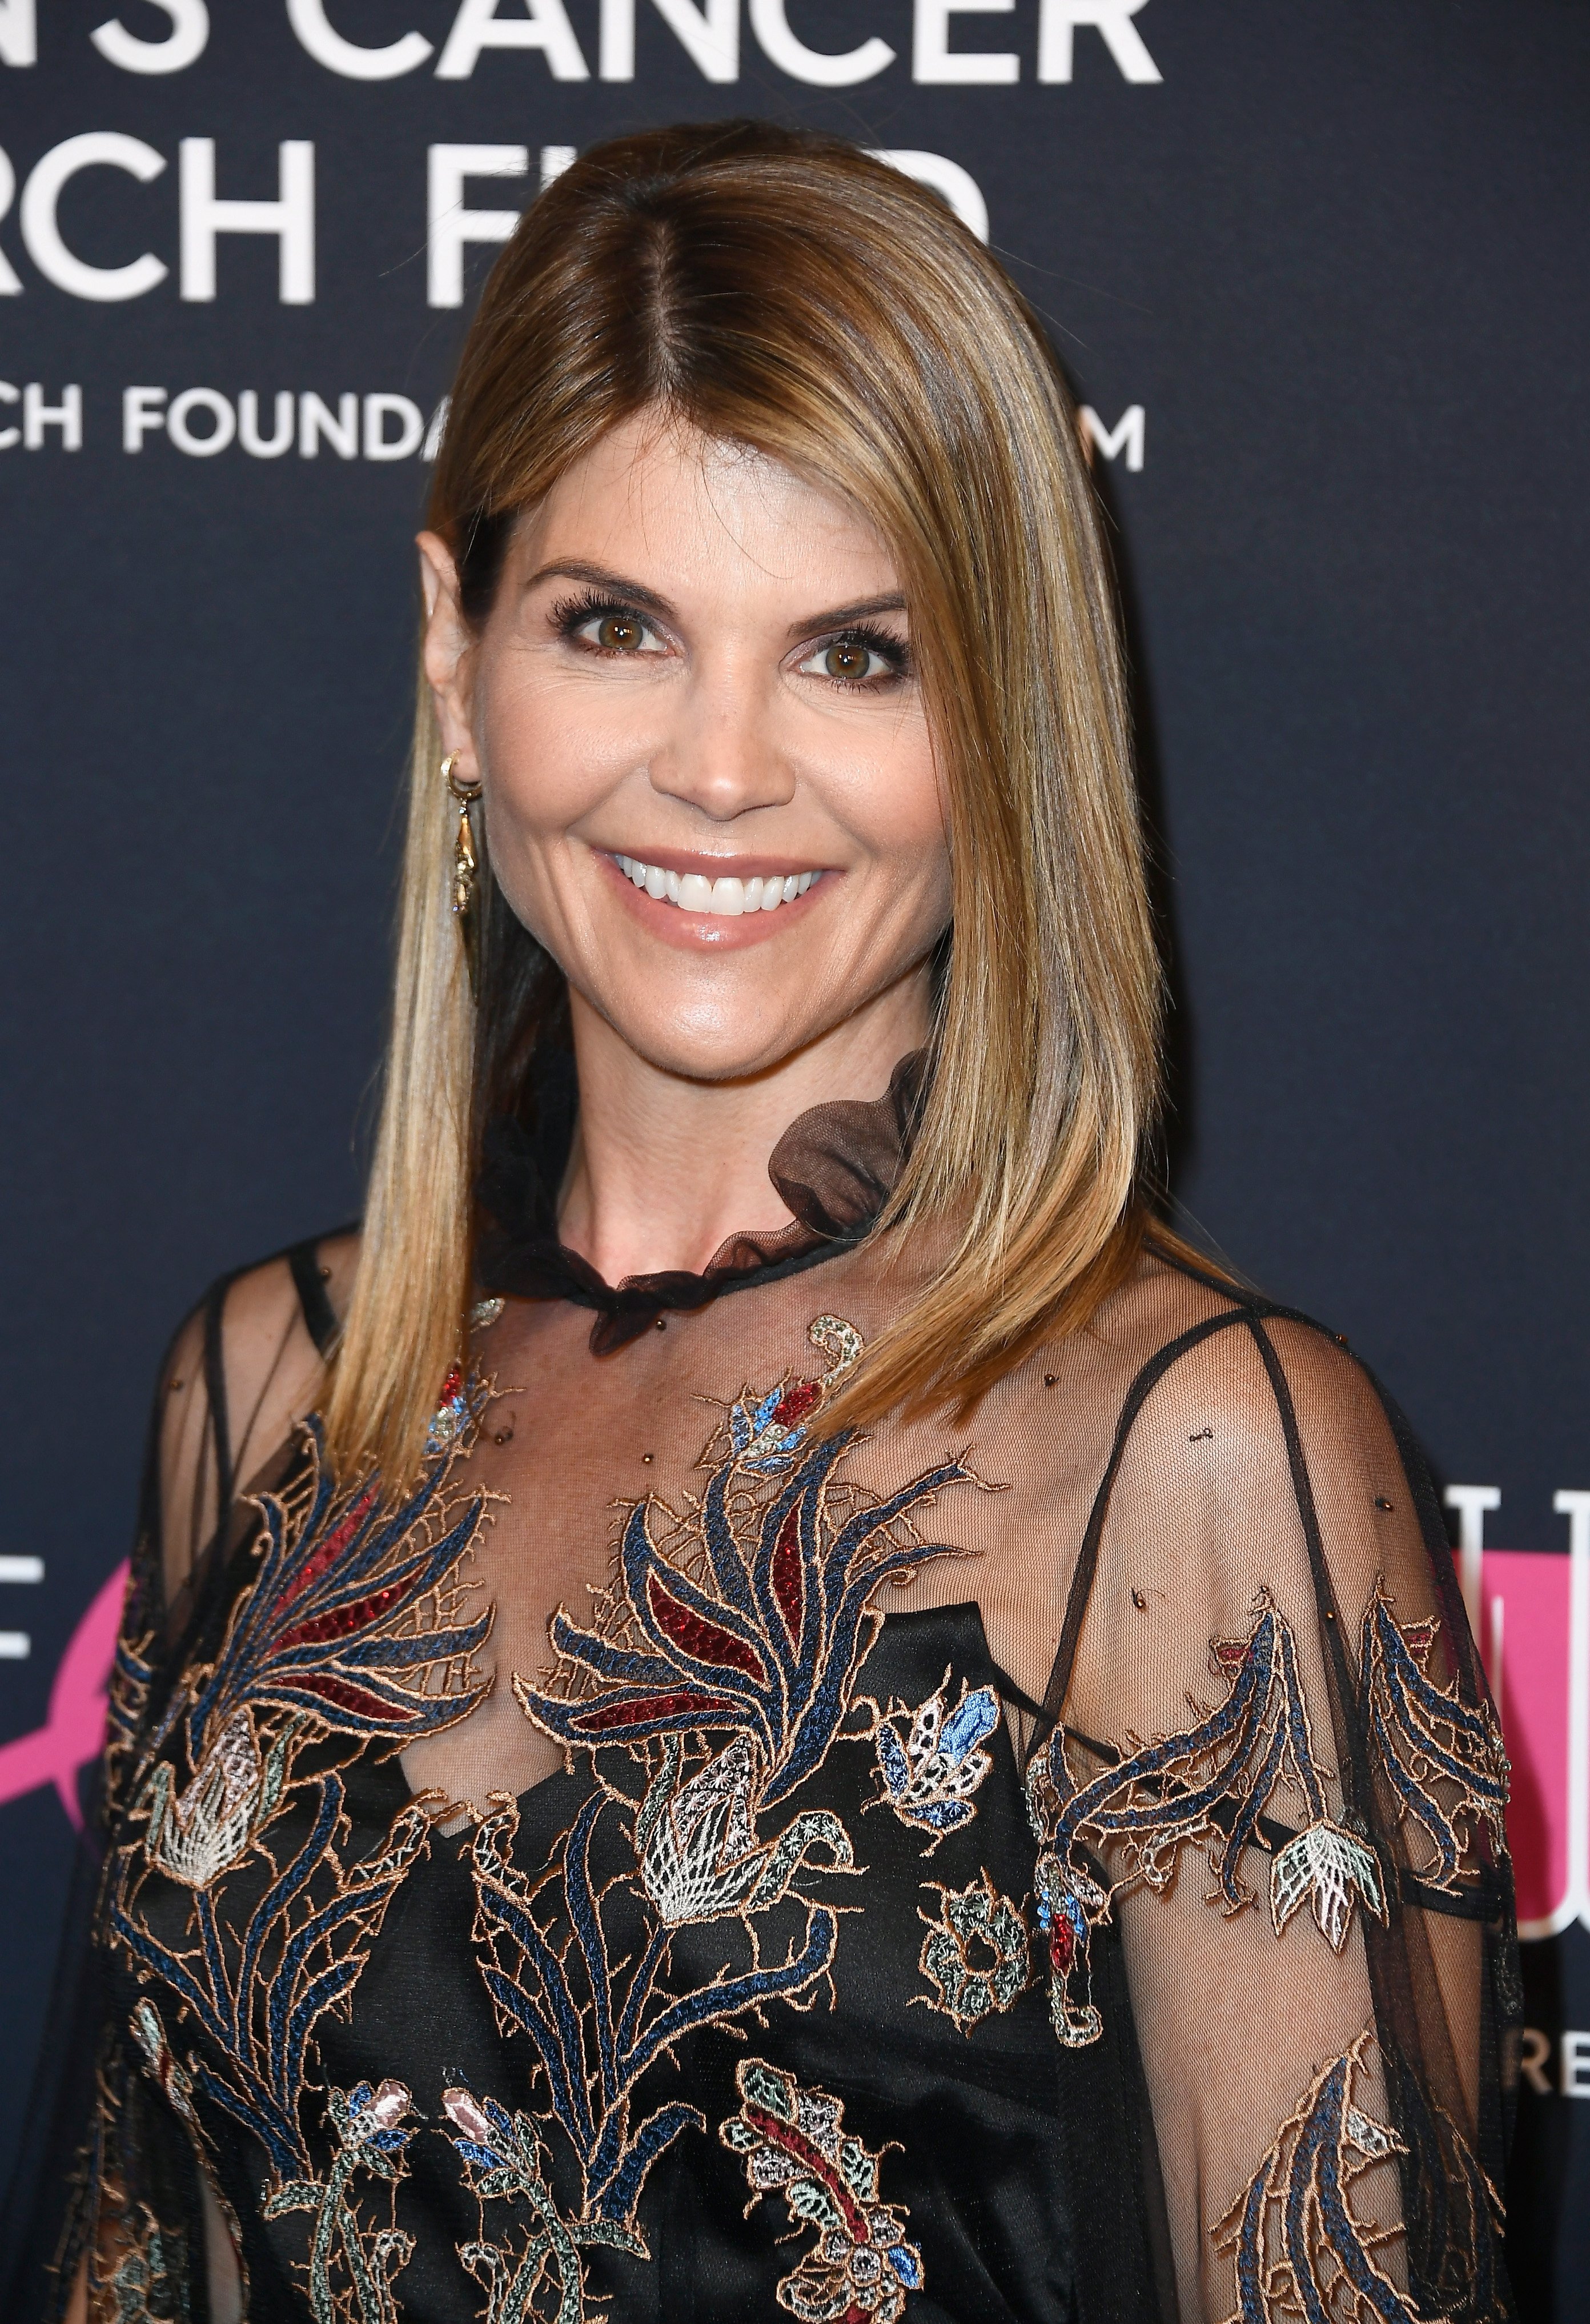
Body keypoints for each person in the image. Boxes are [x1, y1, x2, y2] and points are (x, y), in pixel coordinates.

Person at [10, 121, 1515, 2324]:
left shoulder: (1188, 1455)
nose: (720, 769)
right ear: (456, 648)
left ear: (1005, 717)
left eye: (858, 655)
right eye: (613, 624)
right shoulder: (269, 1386)